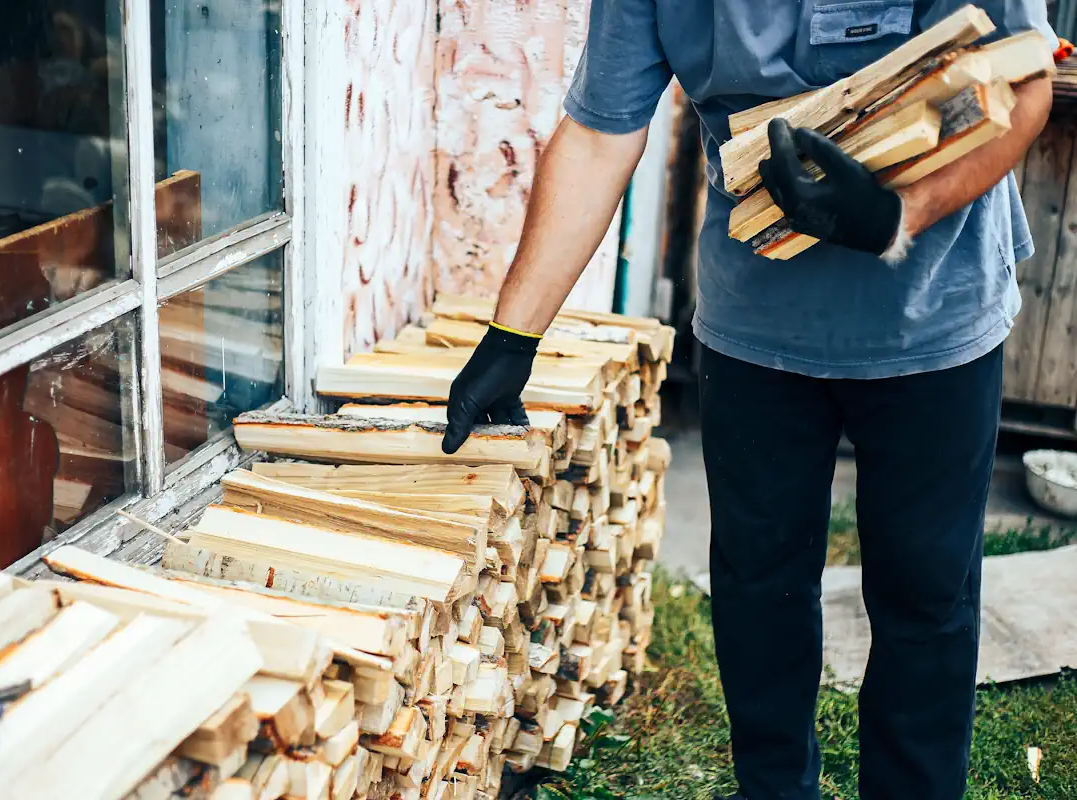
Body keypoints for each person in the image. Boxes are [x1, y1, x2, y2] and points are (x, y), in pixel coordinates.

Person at [440, 2, 1057, 798]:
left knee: (926, 599)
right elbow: (599, 134)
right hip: (756, 323)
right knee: (759, 592)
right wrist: (511, 337)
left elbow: (1026, 84)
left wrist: (898, 215)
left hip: (934, 311)